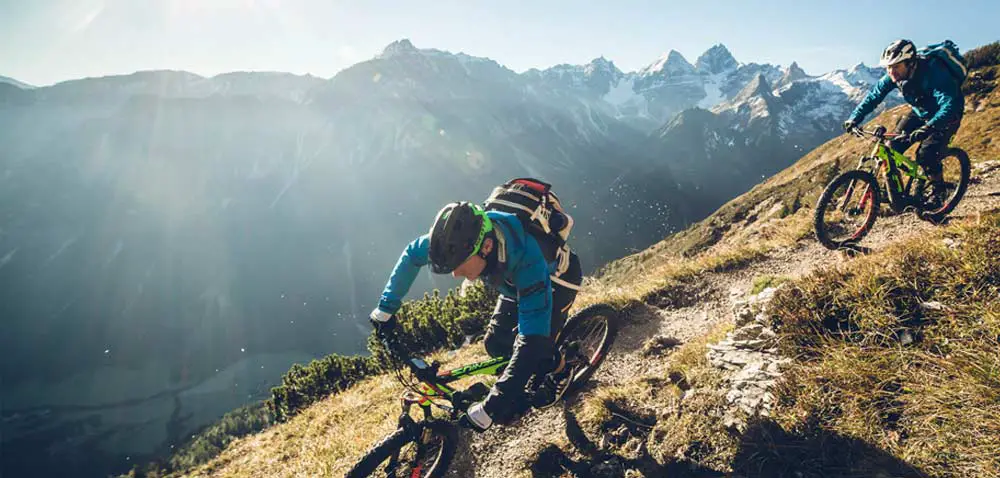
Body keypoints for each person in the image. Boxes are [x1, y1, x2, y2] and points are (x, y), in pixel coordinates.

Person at [369, 201, 583, 432]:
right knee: (496, 343)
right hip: (511, 284)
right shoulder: (454, 244)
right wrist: (385, 310)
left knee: (539, 349)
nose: (455, 274)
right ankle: (518, 378)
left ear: (487, 247)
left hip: (555, 283)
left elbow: (533, 338)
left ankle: (562, 368)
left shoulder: (526, 258)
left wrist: (494, 403)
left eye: (460, 265)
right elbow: (413, 255)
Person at [843, 39, 964, 206]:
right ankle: (896, 195)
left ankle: (939, 192)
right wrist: (854, 118)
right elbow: (873, 97)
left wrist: (930, 127)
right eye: (888, 67)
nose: (891, 72)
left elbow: (950, 103)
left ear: (911, 63)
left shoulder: (934, 72)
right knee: (892, 147)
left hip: (946, 115)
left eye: (896, 66)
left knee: (926, 154)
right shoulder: (893, 76)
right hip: (919, 112)